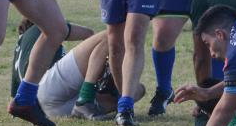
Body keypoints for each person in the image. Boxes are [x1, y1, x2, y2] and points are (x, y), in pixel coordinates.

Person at [10, 19, 147, 120]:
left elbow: (15, 97)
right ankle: (86, 98)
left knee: (138, 90)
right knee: (110, 36)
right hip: (49, 86)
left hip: (48, 109)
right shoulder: (42, 25)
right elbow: (88, 33)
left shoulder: (19, 50)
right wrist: (97, 59)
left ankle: (89, 100)